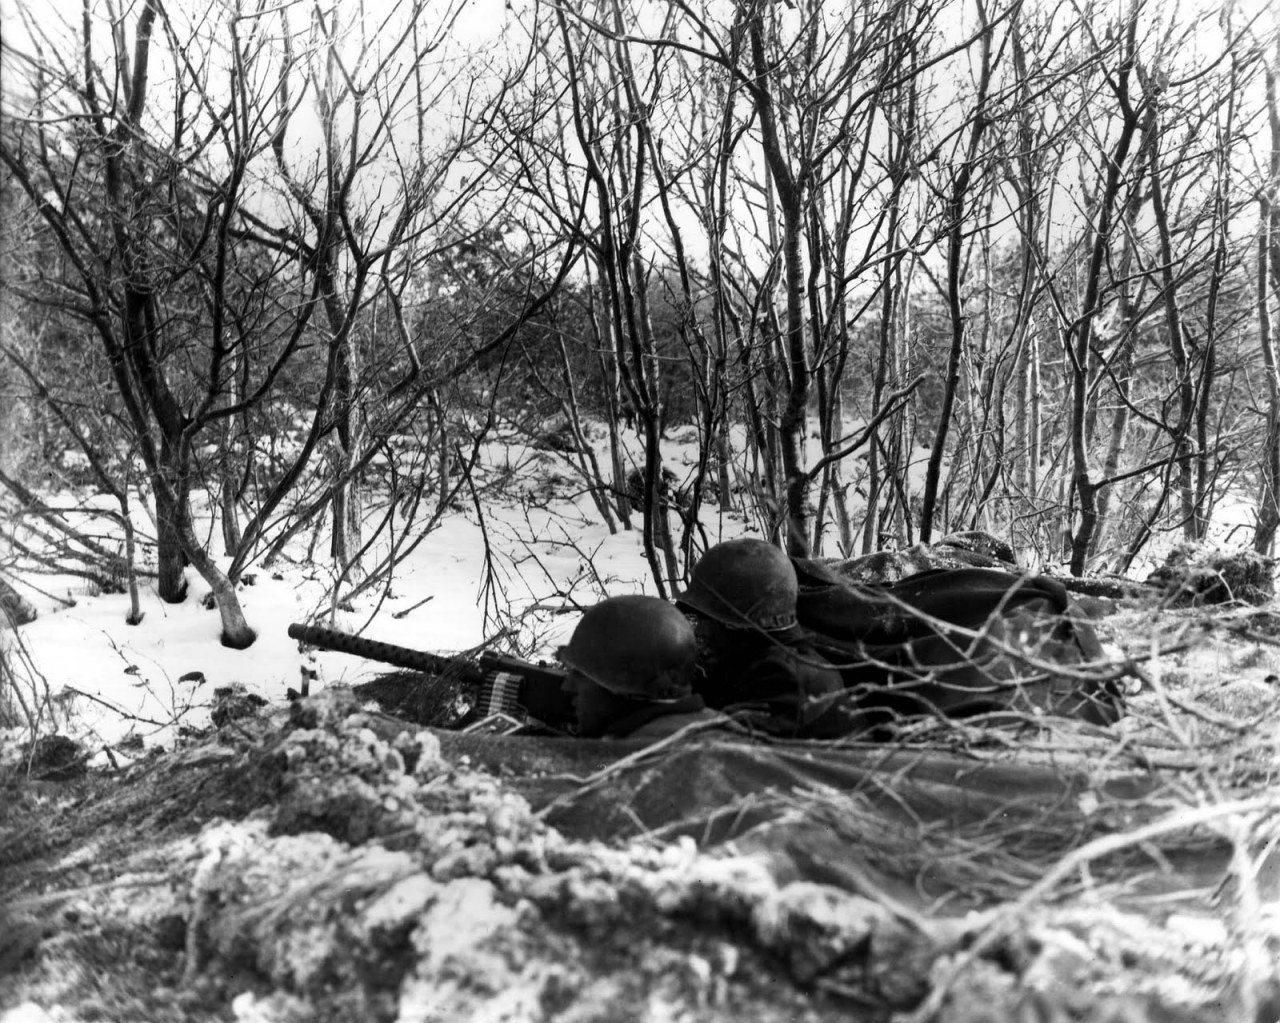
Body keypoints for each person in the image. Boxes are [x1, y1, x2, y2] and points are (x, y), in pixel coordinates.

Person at [676, 539, 866, 739]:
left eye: (707, 619)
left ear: (735, 623)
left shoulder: (784, 677)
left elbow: (715, 749)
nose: (701, 630)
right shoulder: (765, 659)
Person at [558, 595, 725, 740]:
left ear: (625, 687)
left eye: (582, 675)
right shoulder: (712, 728)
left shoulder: (634, 758)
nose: (567, 686)